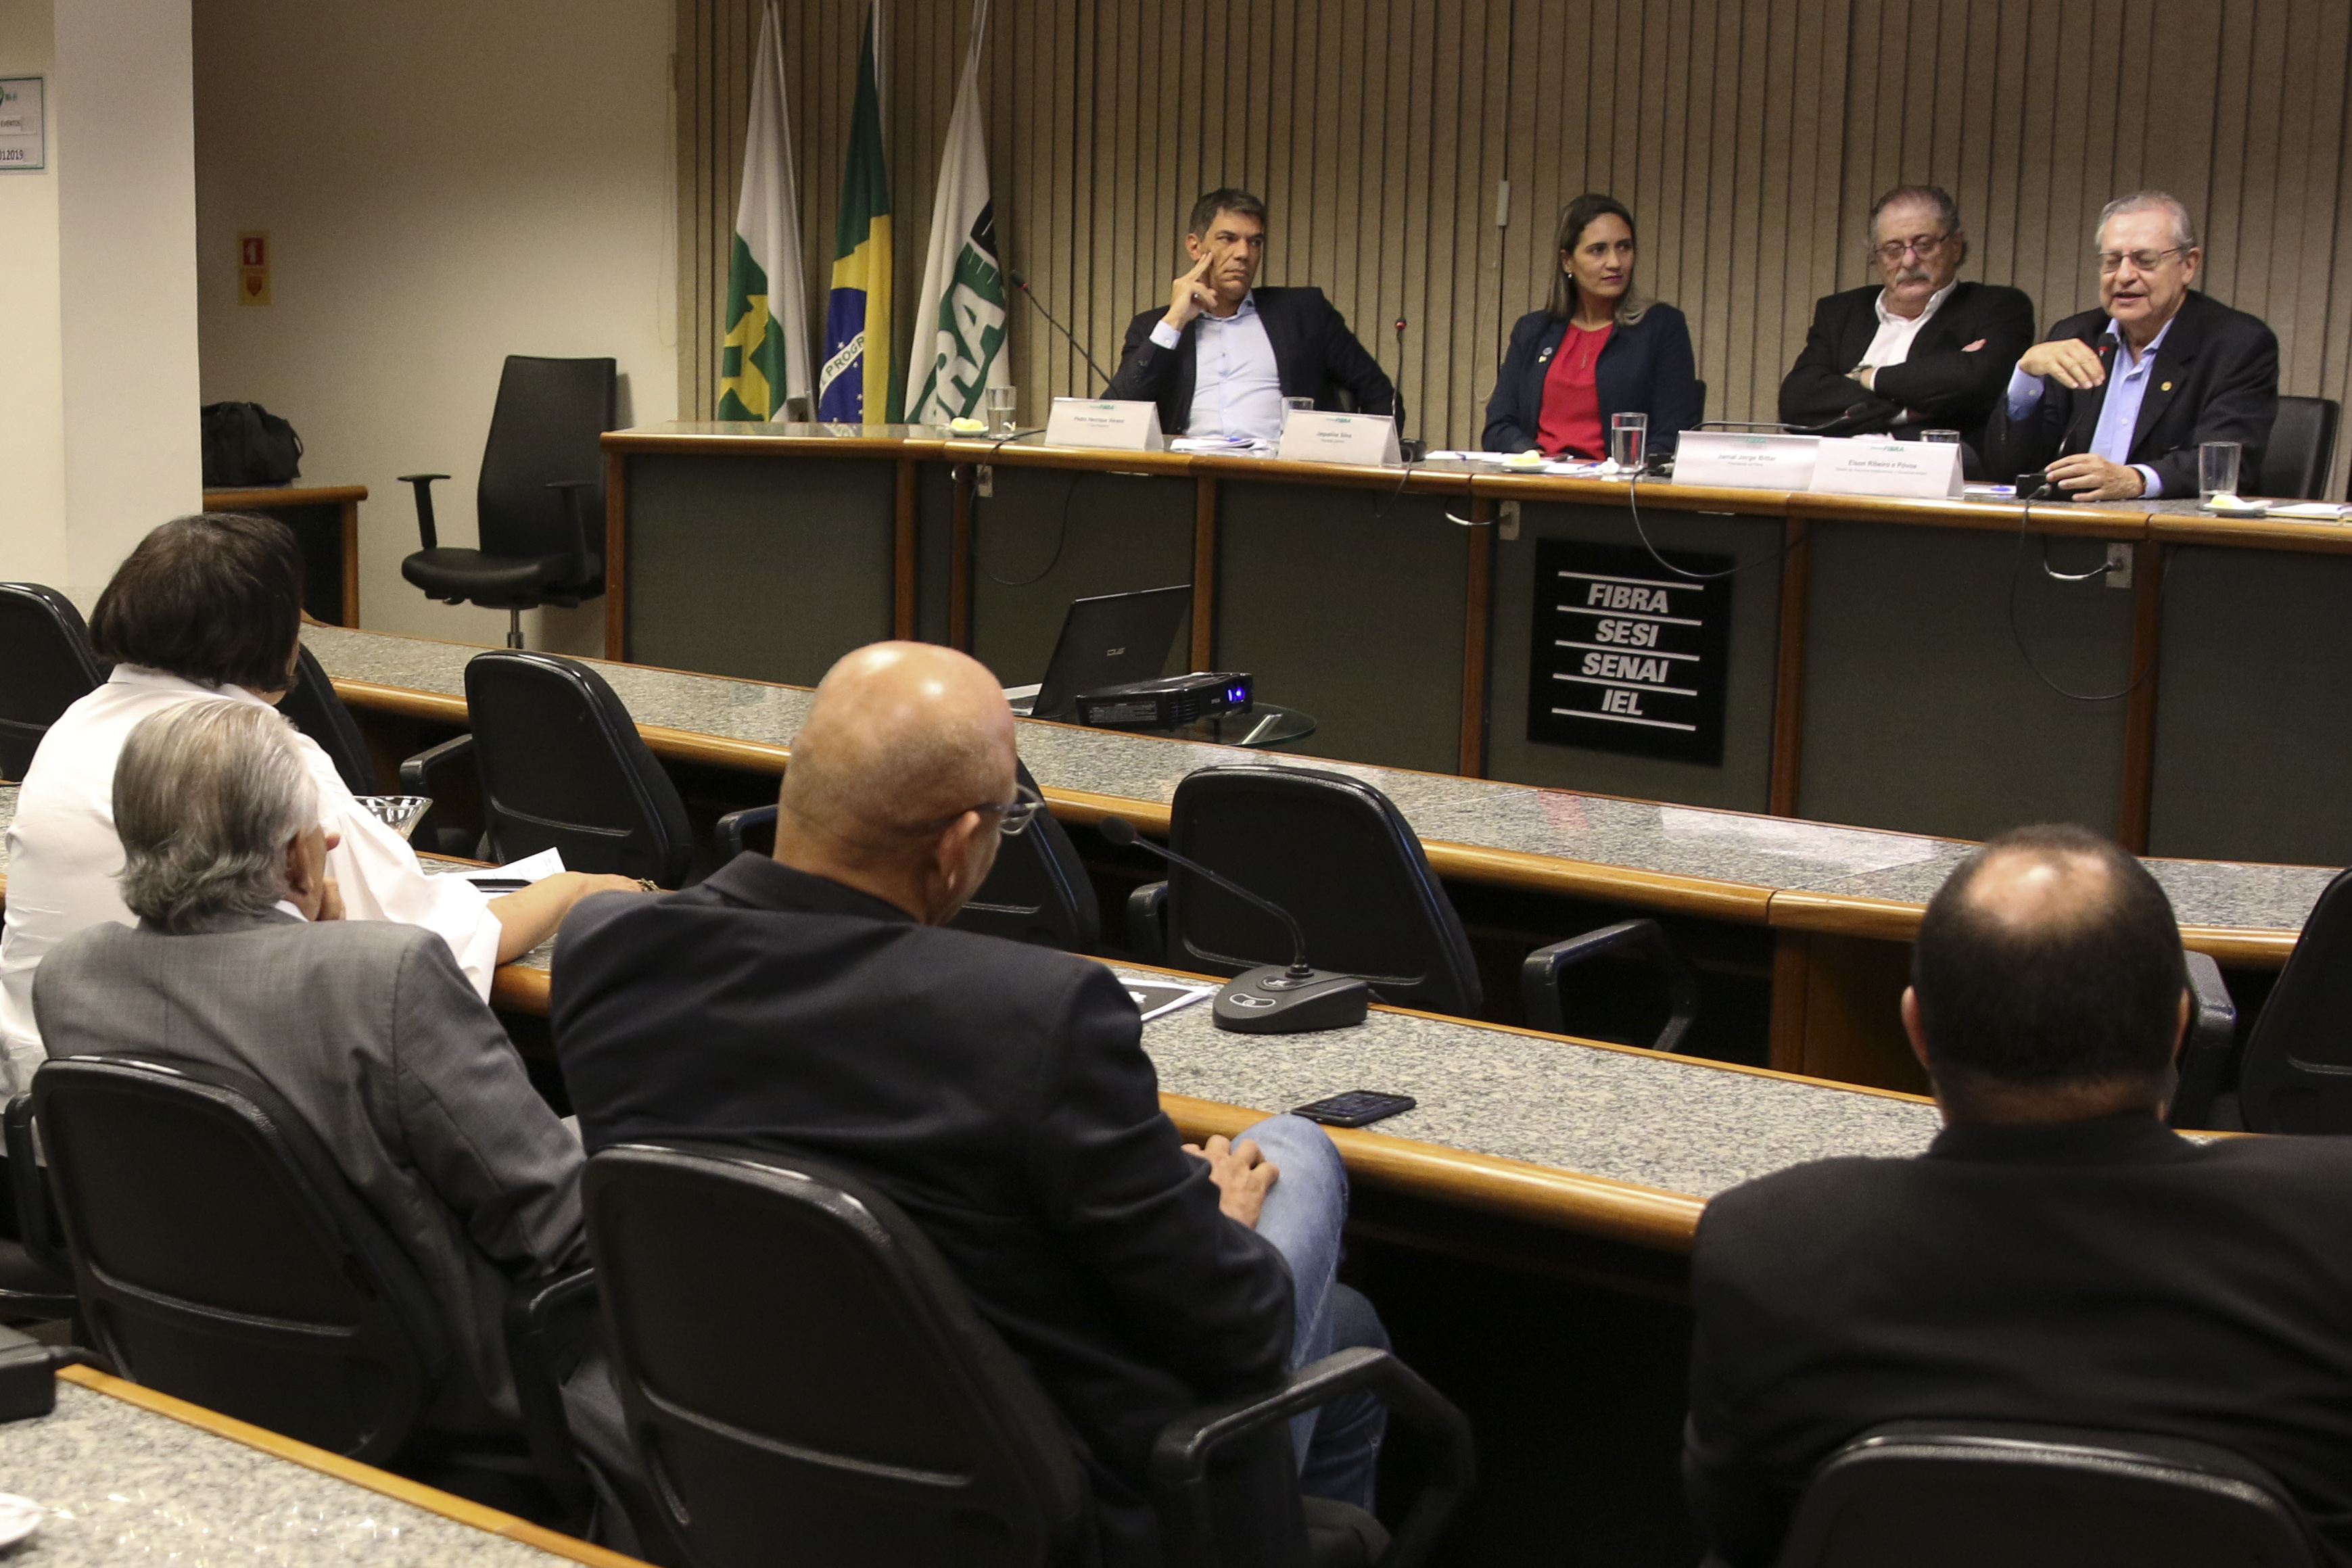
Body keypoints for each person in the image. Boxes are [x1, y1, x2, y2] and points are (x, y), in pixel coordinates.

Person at [551, 640, 1388, 1567]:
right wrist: (1220, 1219)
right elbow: (1238, 1329)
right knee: (1296, 1147)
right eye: (1006, 817)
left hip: (755, 1479)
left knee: (1350, 1337)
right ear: (954, 848)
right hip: (1051, 1516)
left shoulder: (606, 952)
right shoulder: (1031, 1014)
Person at [30, 699, 637, 1517]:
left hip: (206, 1373)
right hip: (454, 1397)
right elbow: (552, 1228)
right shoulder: (383, 980)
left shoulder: (74, 979)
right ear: (292, 856)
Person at [1685, 824, 2352, 1567]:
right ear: (2178, 1027)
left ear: (1917, 1031)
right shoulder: (2334, 1226)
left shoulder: (1770, 1245)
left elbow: (1738, 1529)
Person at [0, 512, 634, 1090]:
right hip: (221, 1148)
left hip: (56, 1135)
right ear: (275, 633)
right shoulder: (267, 759)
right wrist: (575, 891)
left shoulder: (73, 728)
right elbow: (429, 943)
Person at [1985, 191, 2279, 500]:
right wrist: (2025, 379)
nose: (2124, 276)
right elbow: (2007, 470)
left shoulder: (2237, 344)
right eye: (2112, 262)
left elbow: (2227, 466)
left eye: (2145, 261)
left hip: (2168, 537)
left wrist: (2136, 480)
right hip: (2067, 530)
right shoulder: (2075, 335)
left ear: (2188, 265)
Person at [1105, 187, 1396, 443]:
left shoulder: (1304, 313)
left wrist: (1365, 469)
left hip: (1283, 482)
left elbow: (1380, 394)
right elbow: (1115, 416)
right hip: (1187, 481)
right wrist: (1173, 322)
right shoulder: (1153, 327)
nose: (1244, 253)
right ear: (1195, 246)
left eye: (1254, 242)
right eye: (1228, 239)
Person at [1777, 184, 2035, 469]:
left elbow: (1976, 381)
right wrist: (1905, 408)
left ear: (1955, 246)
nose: (1909, 261)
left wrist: (1866, 377)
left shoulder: (1997, 307)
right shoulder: (1840, 312)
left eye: (1923, 245)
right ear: (1877, 256)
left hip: (1931, 477)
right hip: (1834, 472)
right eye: (1893, 249)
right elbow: (1798, 402)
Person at [1484, 193, 1703, 458]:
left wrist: (1627, 471)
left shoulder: (1661, 327)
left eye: (1624, 247)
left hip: (1619, 489)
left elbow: (1673, 431)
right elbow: (1498, 427)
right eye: (1598, 250)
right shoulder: (1533, 331)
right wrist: (1530, 456)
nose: (1615, 262)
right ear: (1568, 261)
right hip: (1540, 483)